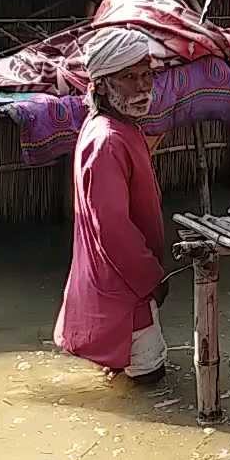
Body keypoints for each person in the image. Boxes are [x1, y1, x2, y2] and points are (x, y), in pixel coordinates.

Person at [53, 27, 169, 385]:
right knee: (152, 382)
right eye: (129, 78)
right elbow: (113, 229)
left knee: (124, 375)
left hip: (116, 281)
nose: (142, 87)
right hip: (126, 285)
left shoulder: (116, 128)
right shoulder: (108, 140)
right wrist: (151, 276)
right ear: (102, 85)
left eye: (146, 75)